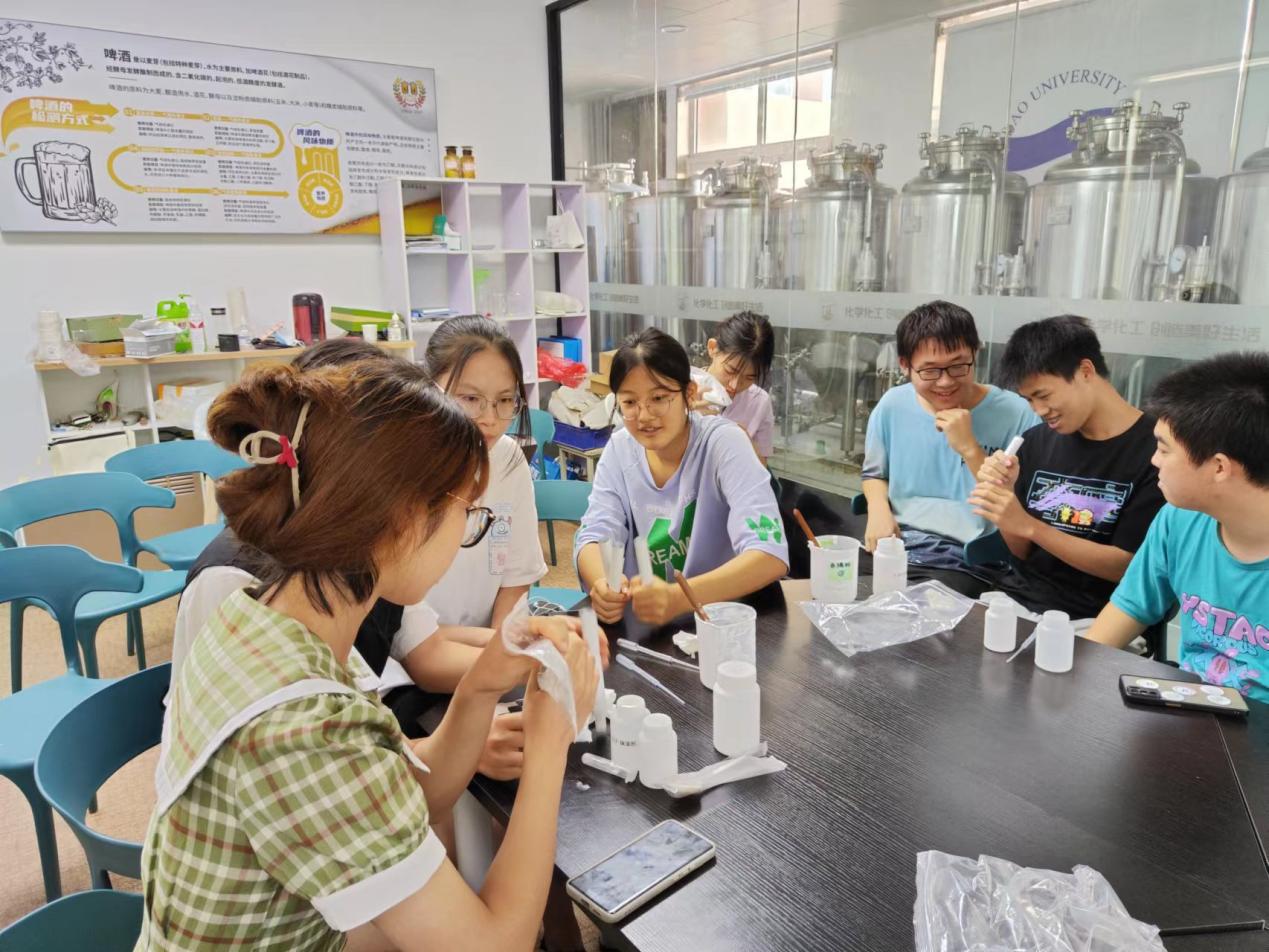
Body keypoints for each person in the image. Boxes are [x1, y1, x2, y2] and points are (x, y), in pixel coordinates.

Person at [139, 357, 598, 949]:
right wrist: (552, 741)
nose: (467, 534)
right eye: (467, 514)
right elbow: (495, 944)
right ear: (405, 519)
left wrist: (481, 684)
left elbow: (409, 794)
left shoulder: (268, 620)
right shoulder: (304, 727)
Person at [170, 339, 498, 761]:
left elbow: (426, 648)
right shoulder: (237, 587)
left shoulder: (365, 562)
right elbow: (238, 751)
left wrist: (514, 654)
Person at [1086, 352, 1269, 704]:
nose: (1153, 460)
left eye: (1163, 449)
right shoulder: (1179, 520)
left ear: (1219, 467)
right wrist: (1070, 677)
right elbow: (1129, 609)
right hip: (1192, 707)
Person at [576, 328, 788, 626]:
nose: (644, 415)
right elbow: (595, 532)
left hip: (723, 623)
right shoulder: (619, 450)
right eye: (629, 403)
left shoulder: (724, 444)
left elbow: (769, 554)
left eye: (659, 398)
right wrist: (602, 583)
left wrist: (679, 598)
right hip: (648, 627)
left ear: (689, 393)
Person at [968, 316, 1165, 620]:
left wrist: (1030, 525)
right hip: (1017, 602)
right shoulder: (1035, 442)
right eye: (1029, 400)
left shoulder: (1158, 452)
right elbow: (1023, 553)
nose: (1039, 410)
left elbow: (1127, 567)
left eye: (1043, 395)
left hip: (1099, 618)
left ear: (1085, 371)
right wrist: (1006, 499)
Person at [861, 300, 1037, 579]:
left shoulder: (1018, 414)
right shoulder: (893, 405)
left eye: (958, 366)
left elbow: (1021, 509)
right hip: (898, 544)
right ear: (905, 365)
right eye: (930, 370)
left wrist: (969, 448)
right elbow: (874, 474)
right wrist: (878, 509)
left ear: (975, 354)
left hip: (971, 559)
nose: (945, 382)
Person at [424, 315, 547, 631]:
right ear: (430, 388)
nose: (490, 419)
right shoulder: (405, 465)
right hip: (413, 648)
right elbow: (411, 635)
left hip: (484, 640)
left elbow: (516, 577)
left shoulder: (508, 459)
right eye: (470, 399)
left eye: (504, 400)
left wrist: (499, 645)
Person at [691, 310, 777, 464]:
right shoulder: (681, 388)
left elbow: (761, 468)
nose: (734, 385)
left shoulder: (759, 401)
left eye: (750, 377)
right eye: (730, 370)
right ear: (712, 348)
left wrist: (741, 438)